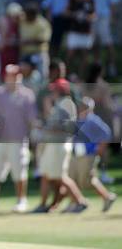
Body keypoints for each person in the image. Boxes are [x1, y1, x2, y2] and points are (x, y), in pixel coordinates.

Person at [0, 65, 37, 213]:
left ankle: (21, 200)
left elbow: (32, 120)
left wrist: (34, 139)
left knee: (19, 171)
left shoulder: (27, 95)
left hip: (18, 140)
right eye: (11, 76)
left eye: (16, 76)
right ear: (6, 77)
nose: (14, 78)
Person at [32, 79, 88, 213]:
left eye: (54, 89)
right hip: (52, 144)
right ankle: (44, 205)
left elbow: (66, 127)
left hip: (59, 145)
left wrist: (45, 129)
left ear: (59, 91)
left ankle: (80, 201)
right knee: (46, 175)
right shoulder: (59, 104)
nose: (52, 92)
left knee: (60, 176)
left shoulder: (66, 104)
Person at [66, 97, 117, 213]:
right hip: (76, 154)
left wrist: (99, 149)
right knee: (71, 178)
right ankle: (75, 203)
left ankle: (107, 196)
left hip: (88, 154)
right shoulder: (78, 119)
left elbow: (106, 134)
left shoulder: (93, 120)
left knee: (87, 180)